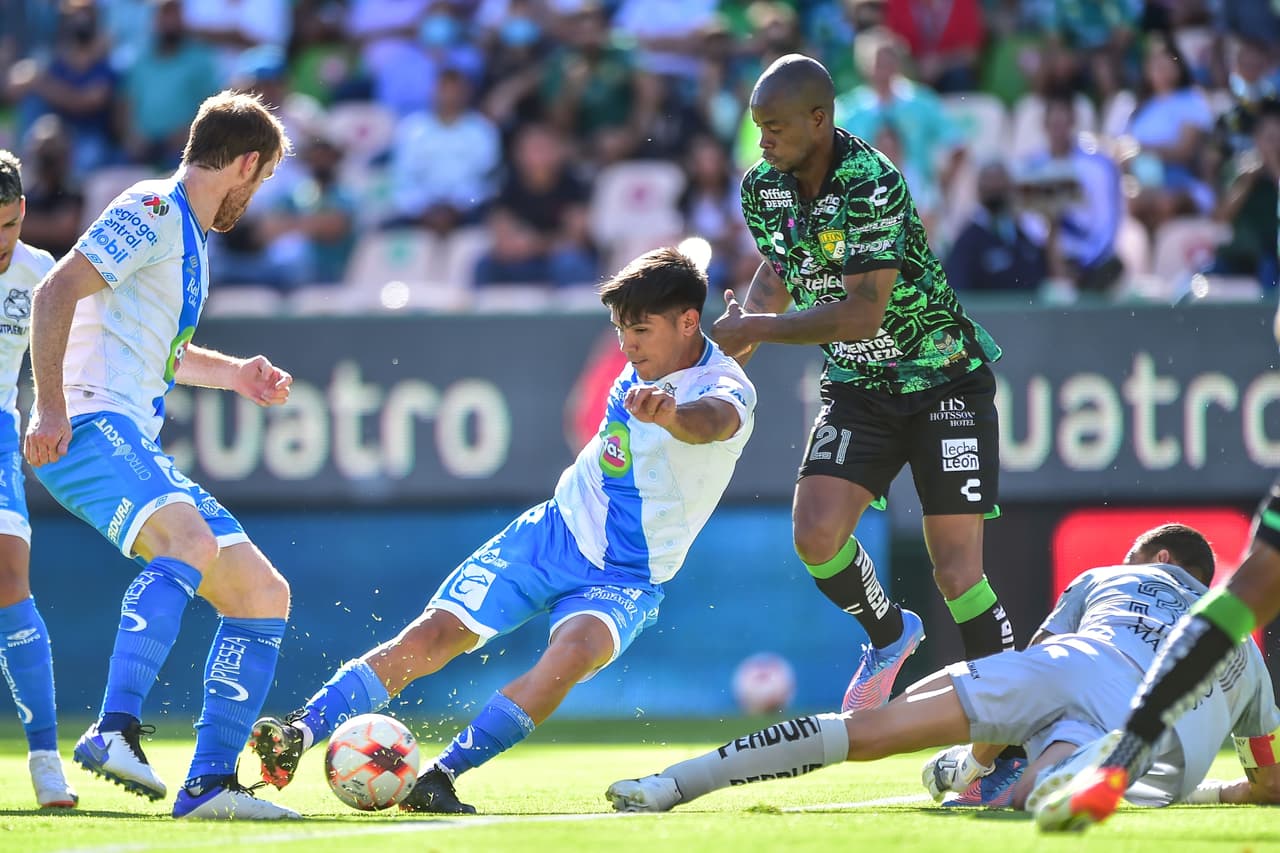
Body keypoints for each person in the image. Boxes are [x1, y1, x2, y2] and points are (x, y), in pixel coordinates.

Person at [250, 247, 756, 814]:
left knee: (570, 657)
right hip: (553, 532)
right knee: (434, 635)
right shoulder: (649, 362)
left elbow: (714, 422)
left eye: (640, 330)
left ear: (688, 321)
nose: (627, 345)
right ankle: (300, 731)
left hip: (629, 576)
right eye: (620, 330)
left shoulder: (726, 388)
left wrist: (673, 416)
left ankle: (440, 776)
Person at [714, 54, 1015, 735]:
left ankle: (1010, 731)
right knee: (815, 535)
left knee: (957, 574)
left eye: (776, 128)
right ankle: (888, 634)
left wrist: (759, 329)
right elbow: (781, 270)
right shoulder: (763, 188)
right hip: (858, 387)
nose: (764, 142)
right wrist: (738, 344)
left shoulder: (872, 182)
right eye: (758, 128)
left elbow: (862, 314)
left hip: (943, 379)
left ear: (819, 119)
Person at [23, 90, 299, 821]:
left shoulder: (188, 235)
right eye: (263, 177)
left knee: (262, 594)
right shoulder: (151, 208)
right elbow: (54, 292)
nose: (256, 193)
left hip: (121, 431)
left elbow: (159, 352)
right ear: (246, 163)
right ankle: (114, 728)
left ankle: (209, 786)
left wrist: (236, 374)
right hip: (86, 423)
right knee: (190, 542)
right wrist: (51, 408)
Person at [606, 524, 1280, 816]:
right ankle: (1068, 774)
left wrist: (973, 761)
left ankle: (673, 783)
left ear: (1158, 558)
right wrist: (1213, 794)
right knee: (1028, 802)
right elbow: (1268, 784)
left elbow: (1023, 670)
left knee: (865, 731)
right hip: (1147, 731)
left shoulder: (1112, 575)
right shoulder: (1246, 651)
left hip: (1077, 666)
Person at [0, 149, 78, 809]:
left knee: (9, 578)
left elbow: (67, 359)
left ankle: (46, 760)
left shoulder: (40, 274)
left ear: (22, 211)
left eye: (6, 224)